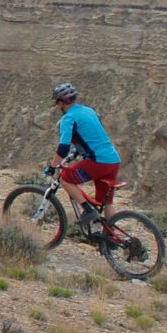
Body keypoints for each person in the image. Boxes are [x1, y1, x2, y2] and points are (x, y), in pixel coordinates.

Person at [50, 80, 122, 228]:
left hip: (98, 161)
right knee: (106, 202)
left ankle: (88, 210)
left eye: (57, 103)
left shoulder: (68, 118)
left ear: (61, 102)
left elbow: (63, 148)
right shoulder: (89, 111)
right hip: (113, 160)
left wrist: (52, 166)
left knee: (65, 179)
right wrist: (78, 150)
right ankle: (111, 240)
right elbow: (93, 135)